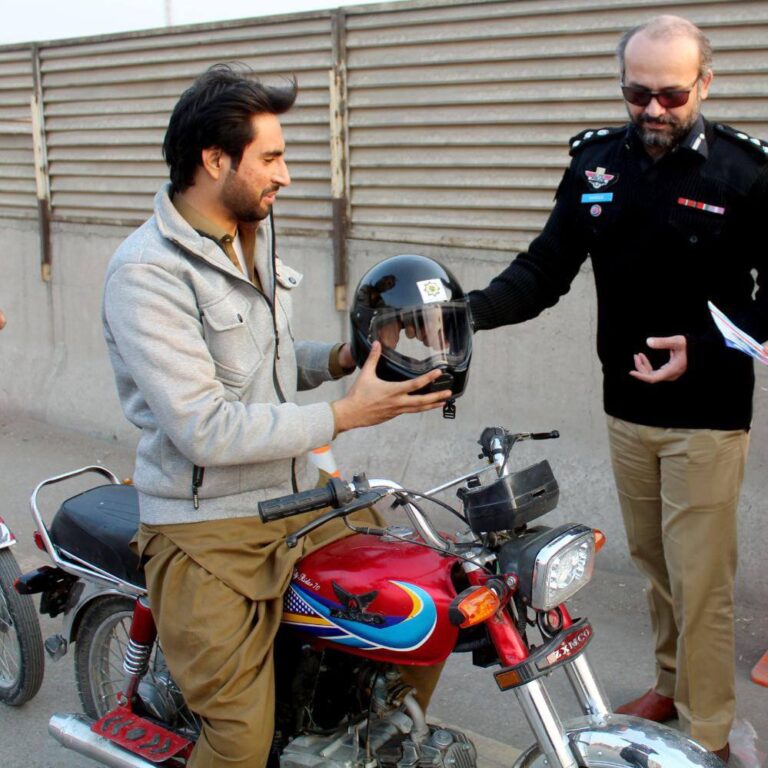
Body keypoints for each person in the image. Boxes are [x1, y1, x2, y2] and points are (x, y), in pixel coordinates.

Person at [102, 64, 451, 768]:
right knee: (239, 741)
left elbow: (268, 366)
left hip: (297, 502)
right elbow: (203, 425)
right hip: (208, 530)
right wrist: (344, 416)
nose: (285, 175)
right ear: (214, 160)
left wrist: (346, 358)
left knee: (423, 608)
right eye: (271, 157)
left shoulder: (246, 237)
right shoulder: (147, 273)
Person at [468, 15, 768, 761]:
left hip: (708, 413)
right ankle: (668, 686)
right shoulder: (597, 165)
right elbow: (543, 270)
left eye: (671, 93)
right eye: (639, 93)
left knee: (701, 582)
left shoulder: (743, 173)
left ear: (704, 83)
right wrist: (464, 314)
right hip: (625, 406)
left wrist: (699, 347)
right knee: (655, 564)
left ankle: (706, 737)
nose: (654, 111)